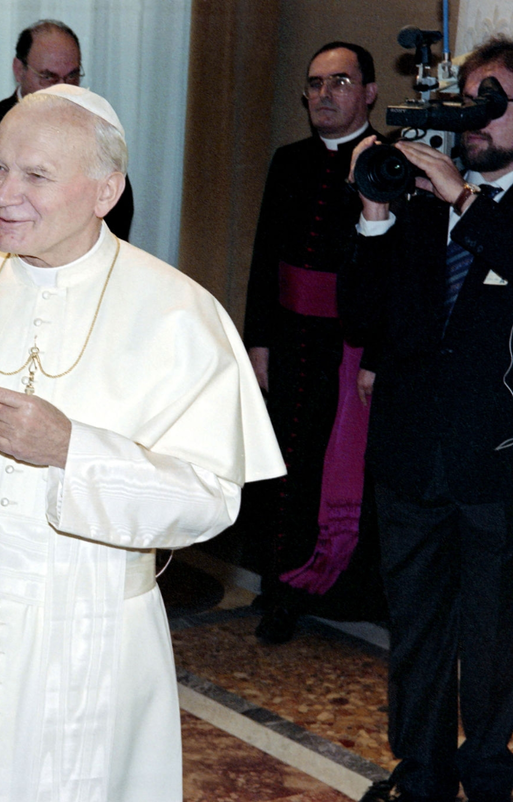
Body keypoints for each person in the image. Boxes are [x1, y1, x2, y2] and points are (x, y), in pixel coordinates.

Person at [0, 84, 284, 802]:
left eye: (35, 175)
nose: (4, 194)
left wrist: (75, 449)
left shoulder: (179, 316)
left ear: (106, 190)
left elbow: (209, 501)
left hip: (91, 627)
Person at [341, 36, 513, 802]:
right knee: (416, 632)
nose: (475, 117)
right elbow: (363, 319)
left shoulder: (473, 202)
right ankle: (421, 776)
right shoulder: (414, 202)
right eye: (468, 99)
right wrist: (376, 215)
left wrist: (464, 200)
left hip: (495, 459)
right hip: (411, 454)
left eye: (495, 101)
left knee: (495, 641)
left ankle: (491, 773)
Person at [244, 42, 385, 644]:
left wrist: (376, 352)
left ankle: (341, 591)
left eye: (339, 82)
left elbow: (394, 272)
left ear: (370, 93)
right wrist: (258, 341)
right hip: (292, 339)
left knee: (341, 472)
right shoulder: (289, 159)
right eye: (314, 84)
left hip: (351, 345)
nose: (323, 95)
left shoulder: (390, 163)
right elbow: (264, 257)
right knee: (286, 468)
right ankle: (281, 590)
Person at [0, 19, 134, 257]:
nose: (61, 86)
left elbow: (117, 213)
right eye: (48, 76)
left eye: (71, 76)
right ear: (19, 70)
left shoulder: (96, 126)